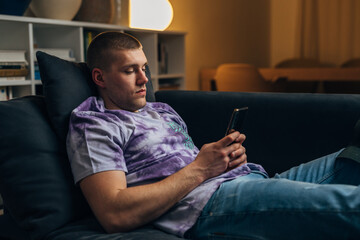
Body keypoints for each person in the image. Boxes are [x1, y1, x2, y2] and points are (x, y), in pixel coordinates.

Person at [66, 31, 360, 239]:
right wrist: (202, 168)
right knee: (350, 206)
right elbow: (113, 215)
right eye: (130, 70)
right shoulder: (94, 125)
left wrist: (224, 160)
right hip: (211, 206)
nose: (144, 79)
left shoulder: (160, 110)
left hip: (248, 182)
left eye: (144, 68)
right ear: (100, 78)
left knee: (352, 159)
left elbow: (196, 166)